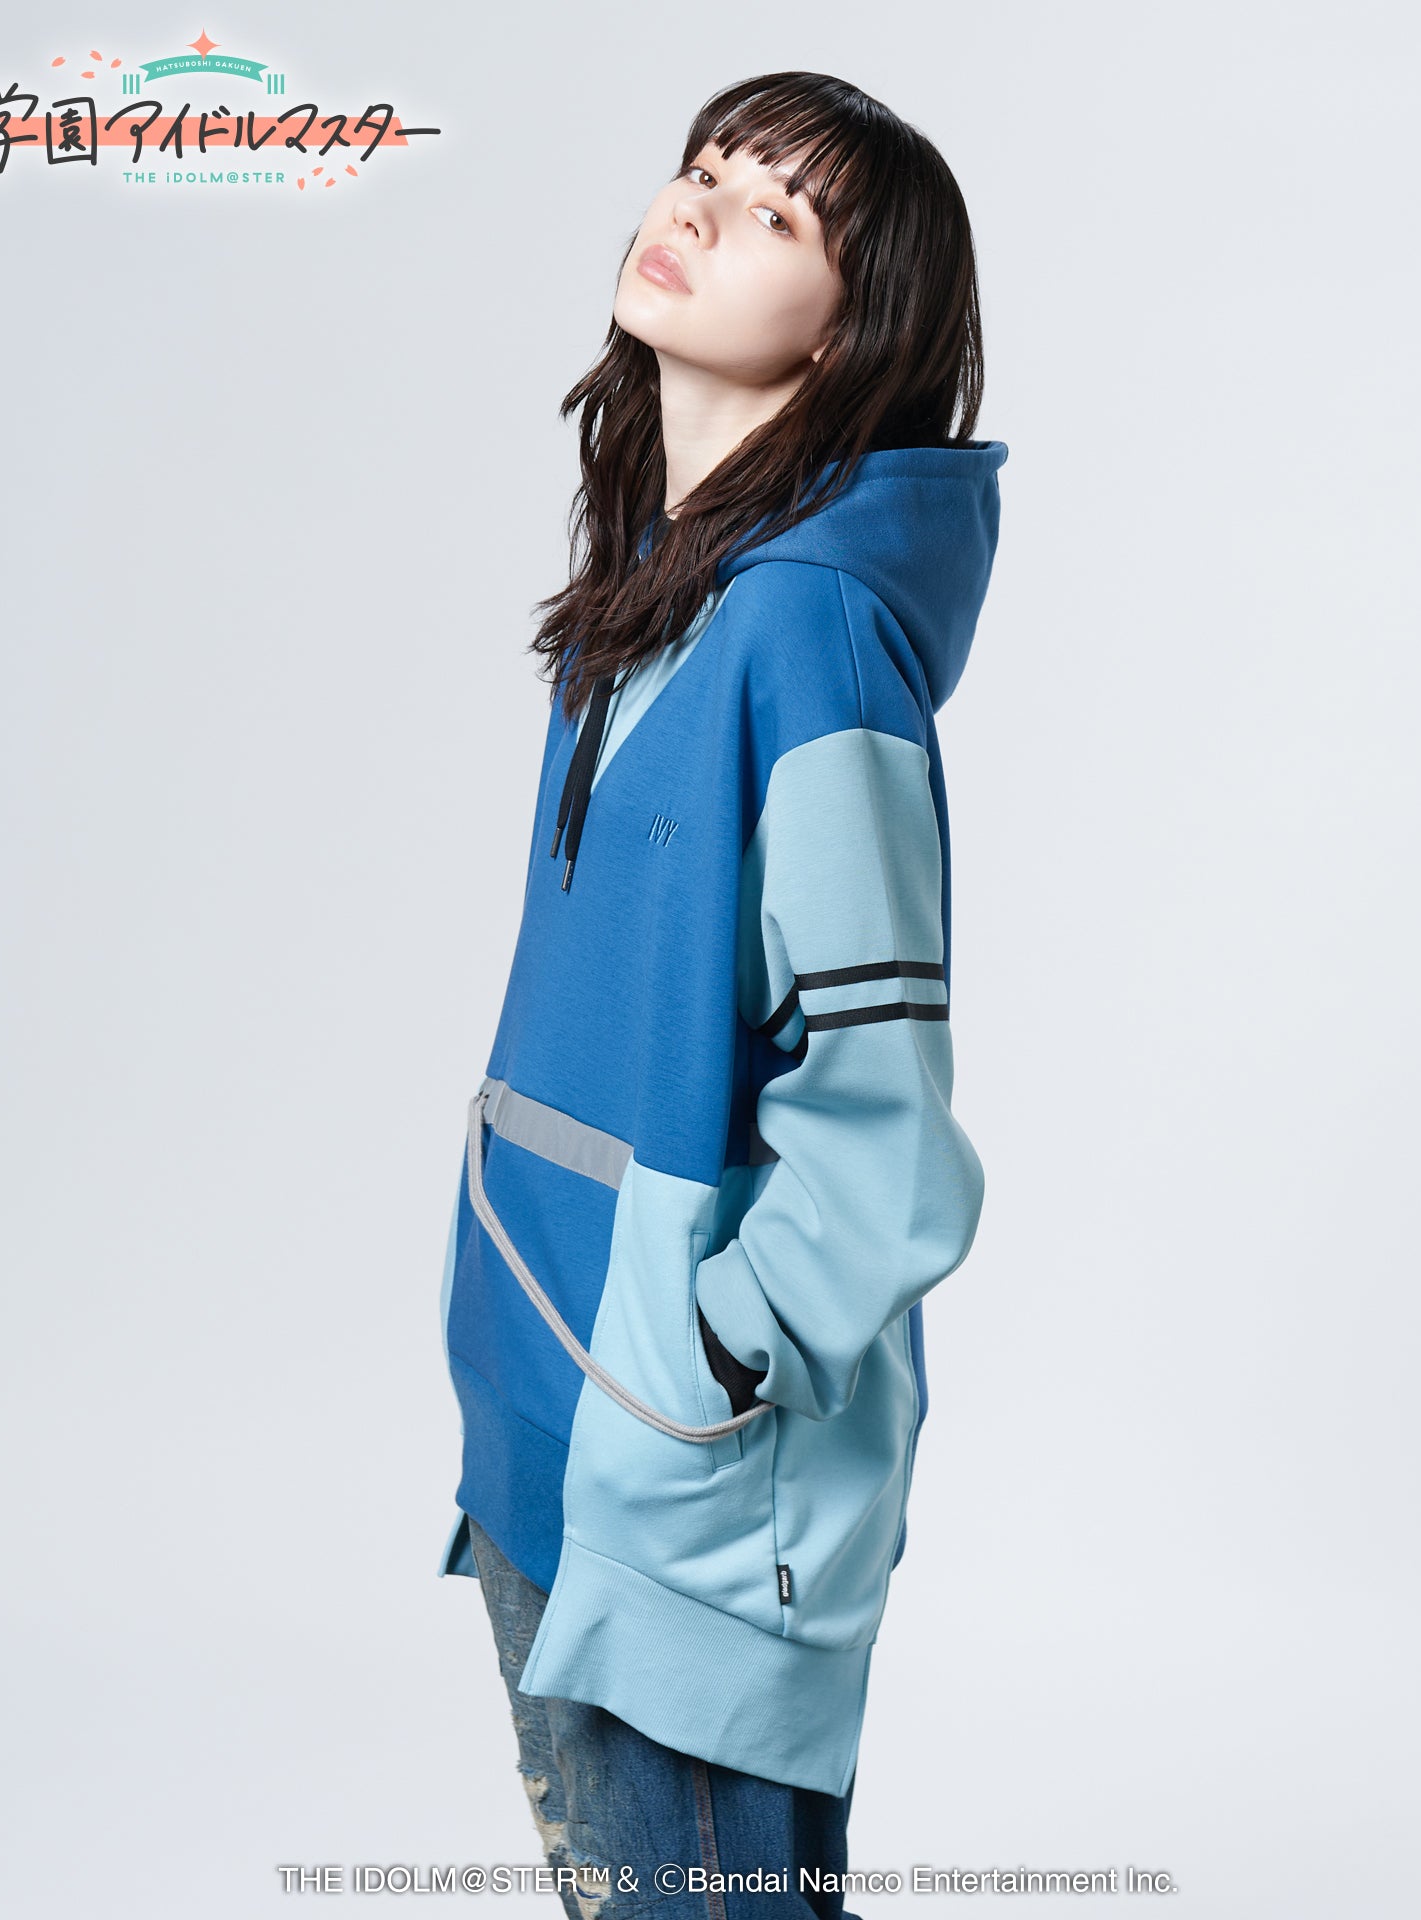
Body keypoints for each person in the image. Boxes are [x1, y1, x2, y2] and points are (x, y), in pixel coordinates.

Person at [437, 69, 1008, 1918]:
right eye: (700, 168)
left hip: (686, 1476)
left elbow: (885, 1151)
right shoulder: (655, 592)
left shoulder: (808, 631)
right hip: (549, 1405)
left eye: (775, 211)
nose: (694, 206)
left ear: (851, 332)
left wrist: (707, 1366)